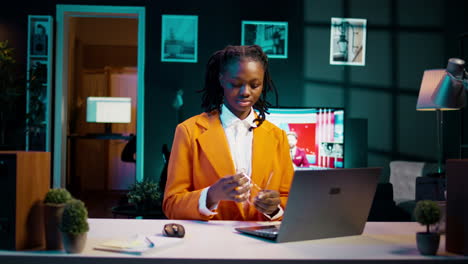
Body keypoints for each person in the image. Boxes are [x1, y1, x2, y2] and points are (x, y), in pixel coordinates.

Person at [163, 45, 294, 221]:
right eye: (236, 84)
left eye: (255, 85)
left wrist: (274, 209)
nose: (246, 92)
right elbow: (171, 205)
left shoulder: (278, 136)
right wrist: (211, 195)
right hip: (209, 244)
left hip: (261, 245)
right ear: (222, 80)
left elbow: (290, 202)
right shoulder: (188, 131)